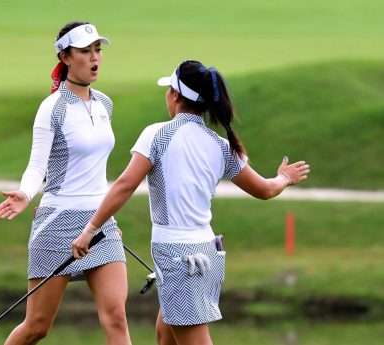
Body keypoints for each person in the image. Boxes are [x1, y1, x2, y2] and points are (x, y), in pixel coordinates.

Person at [72, 60, 310, 345]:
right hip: (207, 253)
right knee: (165, 335)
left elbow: (124, 185)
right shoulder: (221, 144)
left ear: (174, 94)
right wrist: (284, 177)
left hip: (180, 257)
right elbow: (266, 189)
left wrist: (90, 230)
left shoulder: (158, 134)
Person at [0, 21, 131, 345]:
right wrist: (26, 194)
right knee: (37, 327)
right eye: (85, 51)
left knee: (116, 318)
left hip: (100, 224)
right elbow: (37, 165)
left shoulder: (105, 104)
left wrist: (106, 215)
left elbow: (96, 167)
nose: (95, 57)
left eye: (97, 49)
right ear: (66, 57)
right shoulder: (51, 109)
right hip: (57, 222)